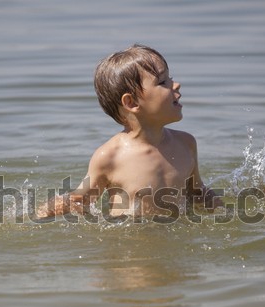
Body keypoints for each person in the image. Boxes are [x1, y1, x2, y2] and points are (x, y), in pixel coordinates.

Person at [37, 44, 221, 222]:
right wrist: (42, 214)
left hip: (176, 244)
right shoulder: (110, 157)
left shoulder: (186, 143)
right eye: (163, 82)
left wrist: (225, 212)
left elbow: (197, 192)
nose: (176, 85)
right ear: (131, 103)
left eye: (170, 79)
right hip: (130, 247)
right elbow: (80, 199)